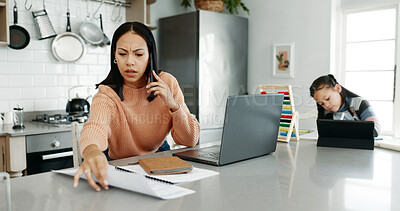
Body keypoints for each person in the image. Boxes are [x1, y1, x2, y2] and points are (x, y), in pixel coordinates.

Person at [73, 22, 200, 191]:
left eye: (139, 54)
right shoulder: (107, 94)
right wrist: (91, 151)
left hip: (159, 159)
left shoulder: (167, 82)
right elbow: (95, 127)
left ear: (150, 56)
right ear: (114, 55)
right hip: (120, 164)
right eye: (122, 53)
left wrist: (174, 105)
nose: (129, 62)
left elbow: (190, 140)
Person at [309, 74, 381, 137]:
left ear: (338, 88)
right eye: (321, 104)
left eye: (327, 99)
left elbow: (376, 129)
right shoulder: (326, 112)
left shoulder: (359, 104)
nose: (326, 105)